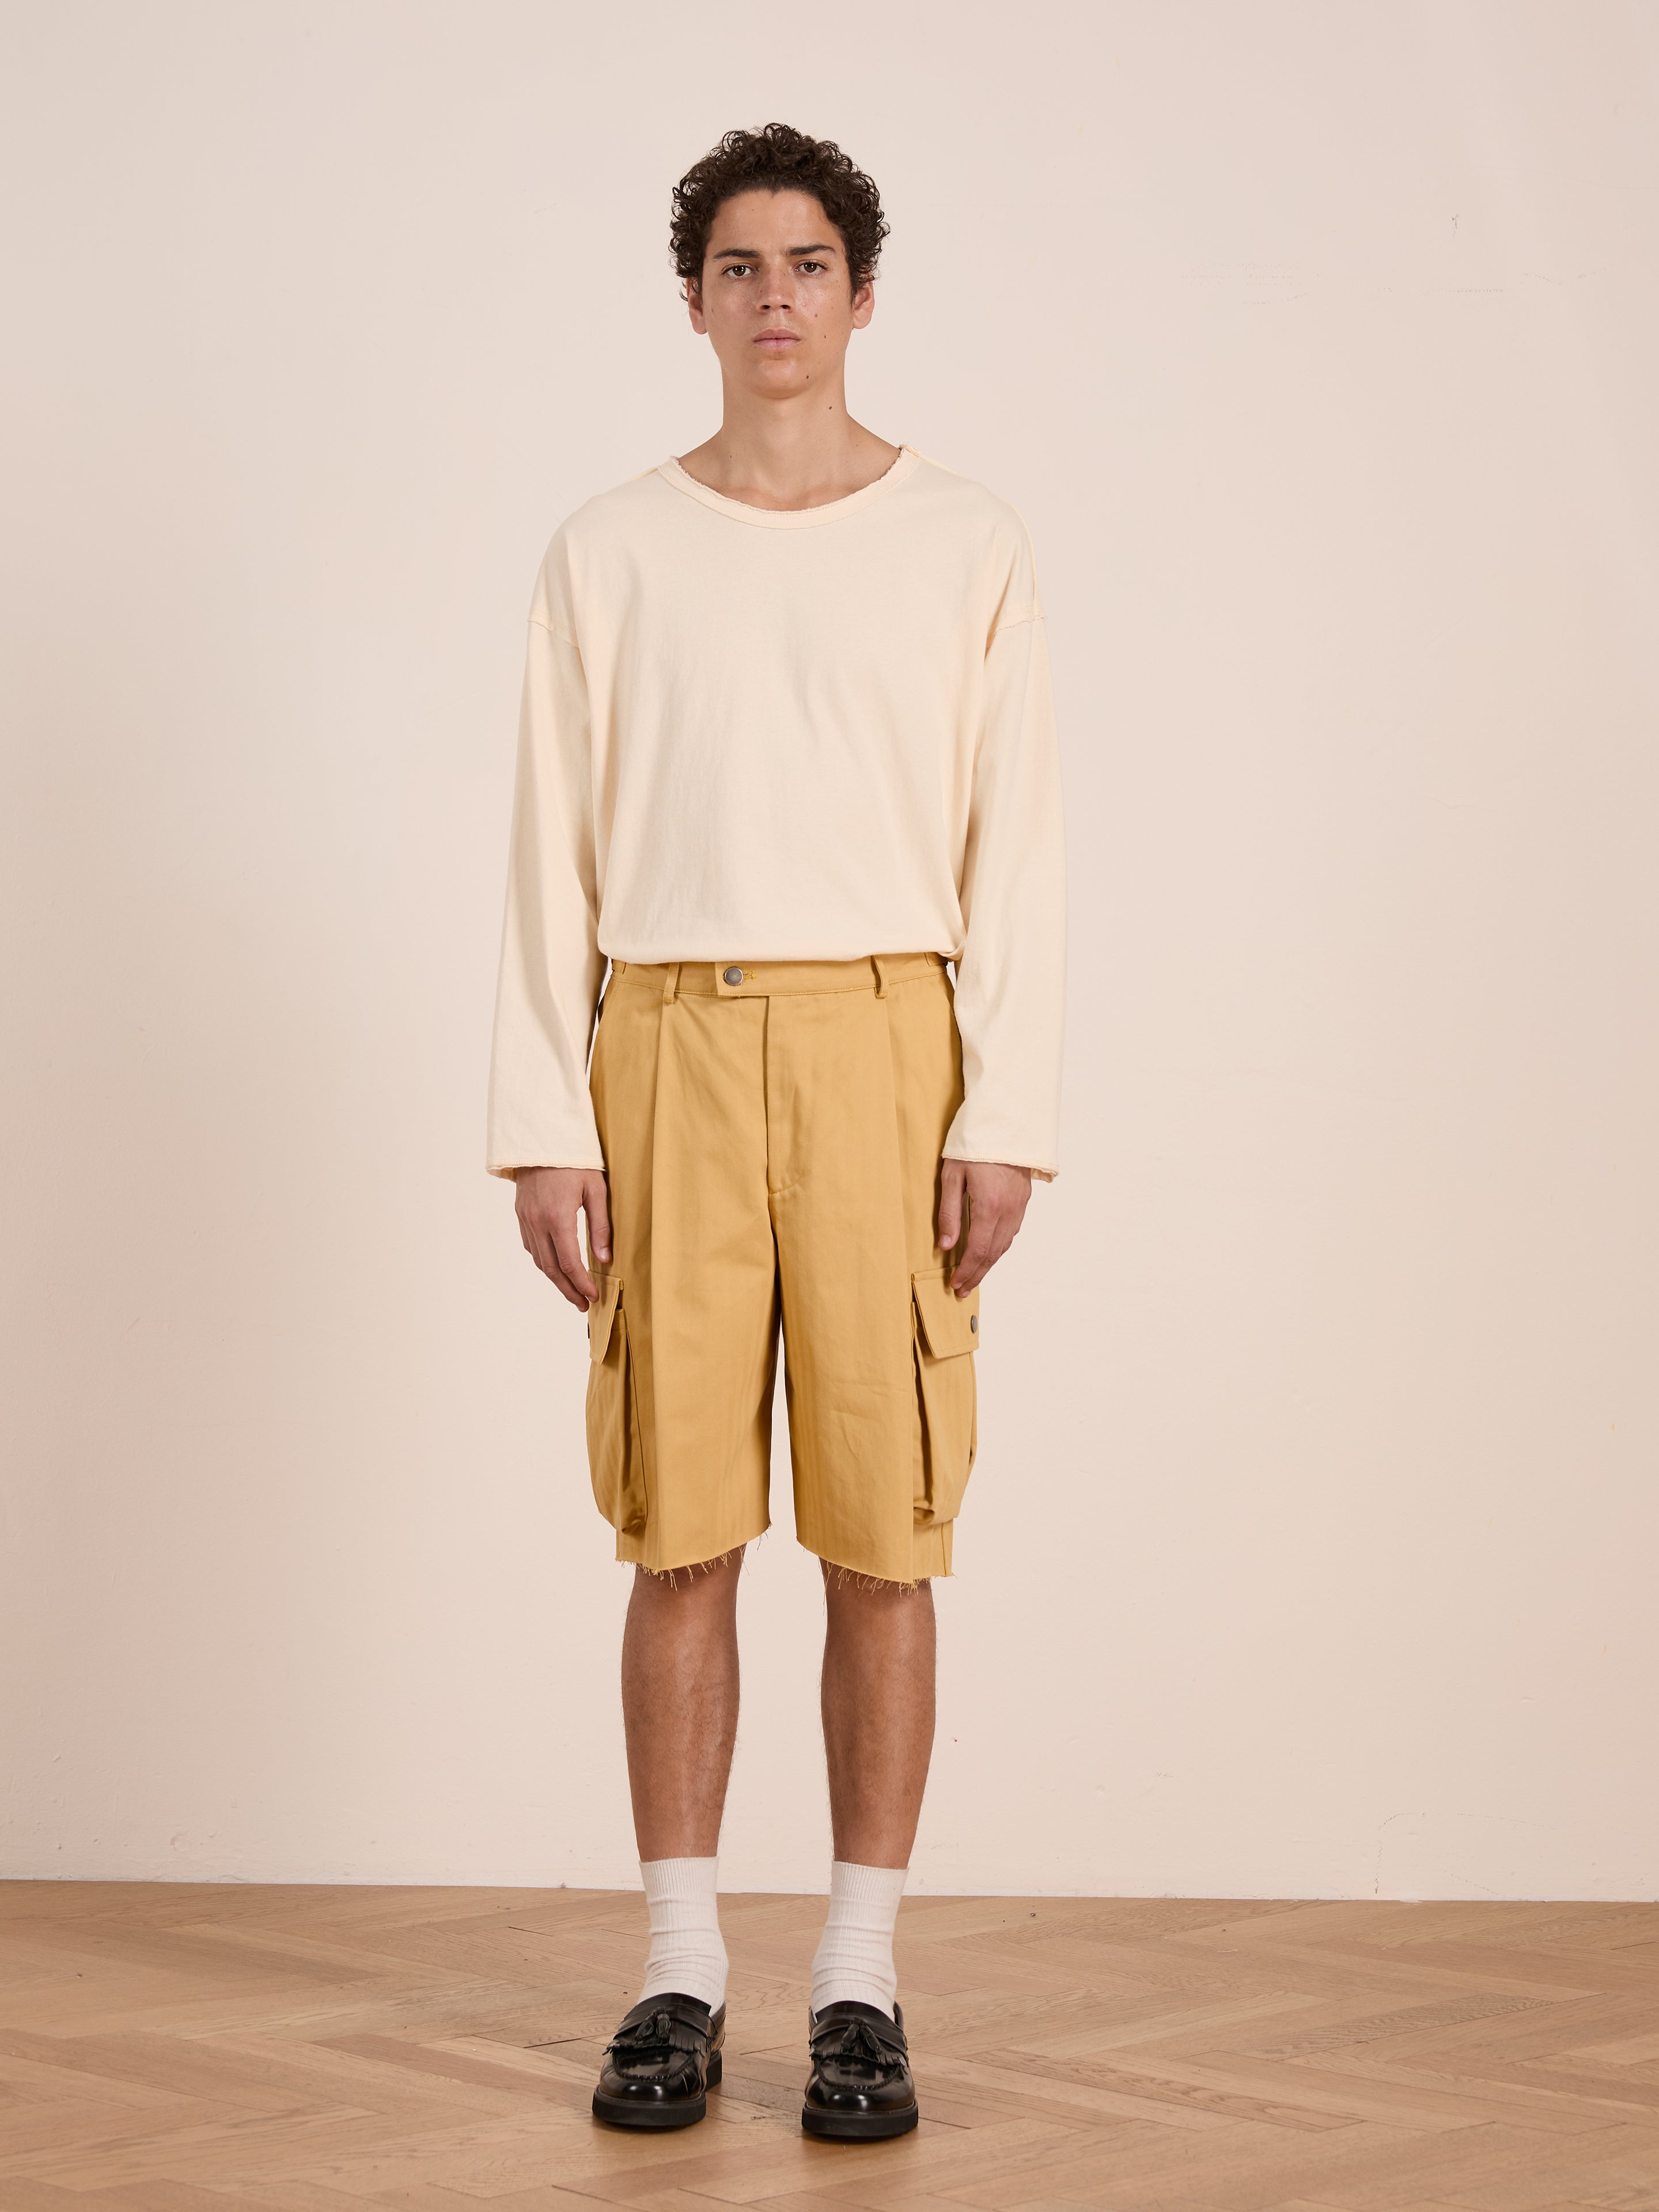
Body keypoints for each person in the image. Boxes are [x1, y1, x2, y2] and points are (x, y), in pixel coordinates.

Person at [485, 120, 1066, 2141]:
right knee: (678, 1525)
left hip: (892, 1041)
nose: (775, 300)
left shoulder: (967, 540)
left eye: (807, 264)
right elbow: (547, 849)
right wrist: (543, 1122)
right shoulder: (610, 548)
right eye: (738, 267)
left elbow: (1023, 851)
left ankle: (860, 1983)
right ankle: (672, 1972)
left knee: (887, 1534)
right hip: (663, 1034)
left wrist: (1012, 1110)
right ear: (697, 300)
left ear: (863, 292)